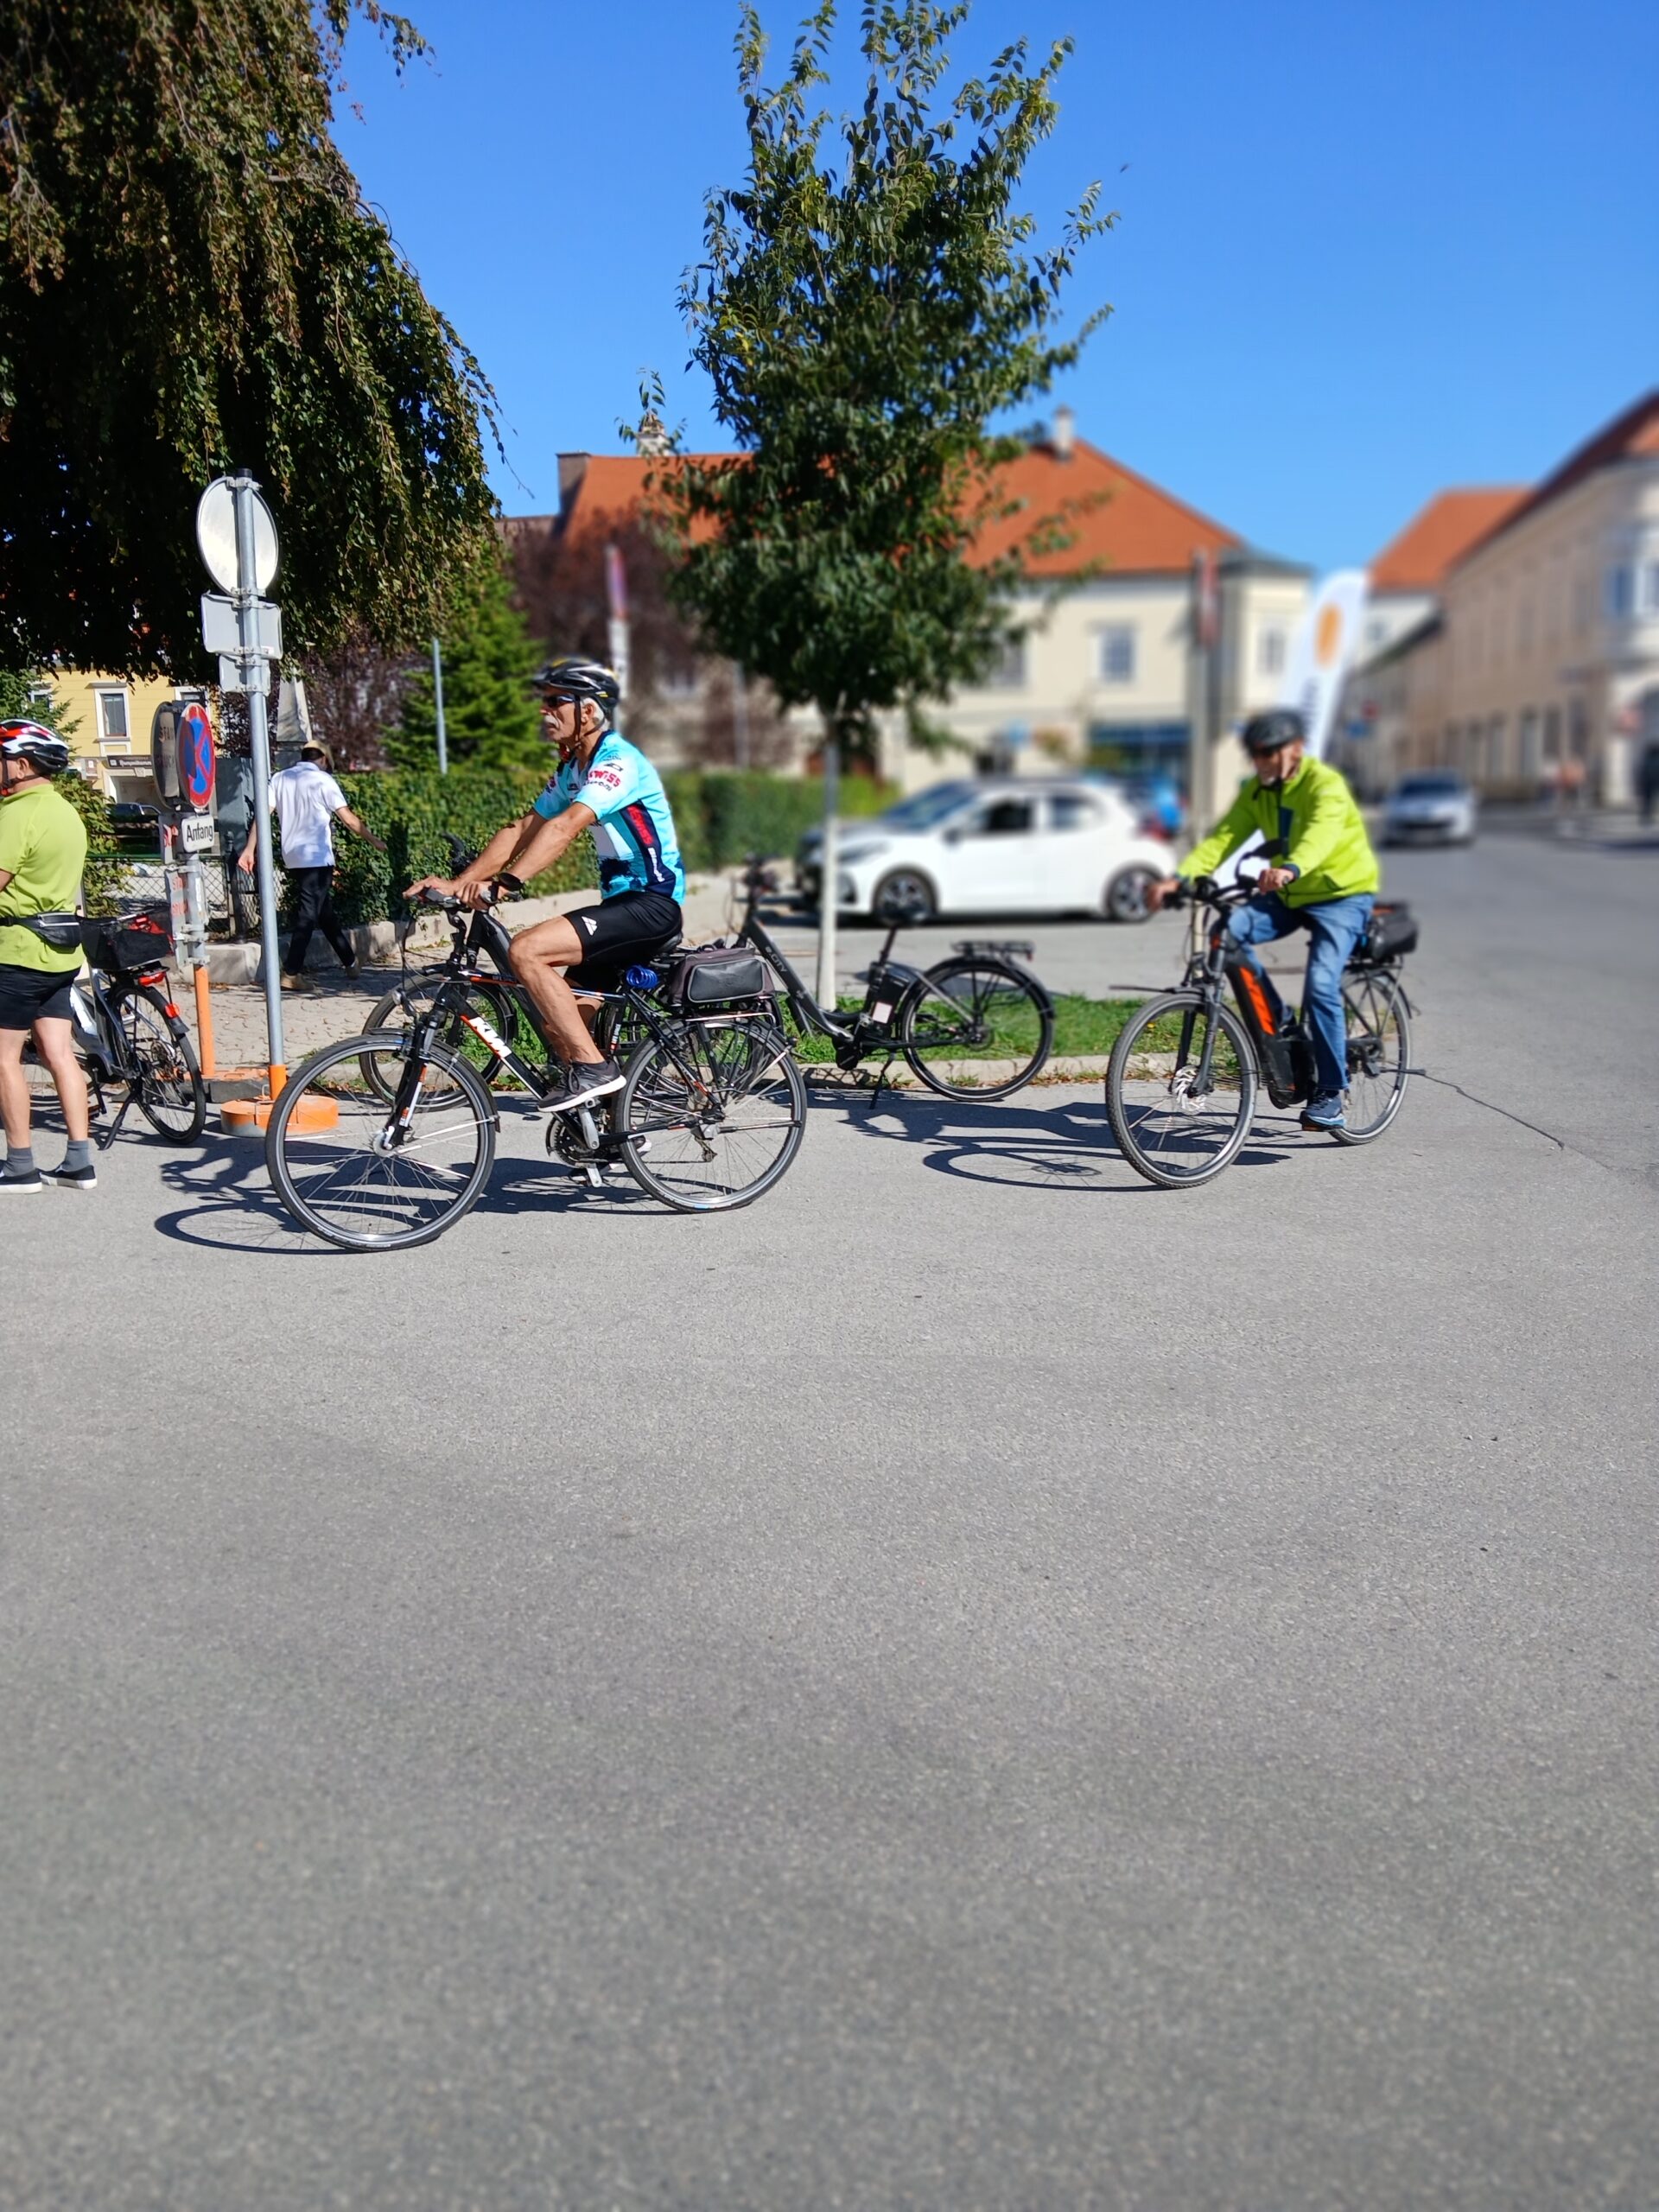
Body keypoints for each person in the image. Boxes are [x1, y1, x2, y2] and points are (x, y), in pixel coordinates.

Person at [406, 657, 684, 1112]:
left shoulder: (617, 763)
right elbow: (523, 829)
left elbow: (565, 827)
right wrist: (460, 884)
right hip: (621, 906)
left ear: (588, 711)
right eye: (545, 701)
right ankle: (612, 1130)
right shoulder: (573, 769)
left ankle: (596, 1072)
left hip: (652, 905)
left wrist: (504, 885)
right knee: (560, 1030)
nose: (544, 710)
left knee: (527, 951)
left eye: (556, 701)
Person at [1147, 709, 1380, 1135]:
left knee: (1321, 983)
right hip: (1290, 894)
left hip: (1341, 895)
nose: (1262, 761)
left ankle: (1331, 1089)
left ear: (1296, 749)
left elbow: (1320, 835)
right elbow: (1224, 837)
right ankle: (1279, 1020)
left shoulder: (1324, 785)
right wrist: (1179, 878)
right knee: (1227, 933)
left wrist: (1290, 867)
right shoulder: (1258, 791)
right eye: (1256, 753)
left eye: (1269, 752)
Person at [0, 721, 96, 1192]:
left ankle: (20, 1165)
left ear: (21, 765)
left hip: (16, 952)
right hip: (60, 953)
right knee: (60, 1054)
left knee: (4, 1059)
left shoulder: (16, 815)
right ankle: (79, 1162)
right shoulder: (66, 813)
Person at [238, 741, 384, 990]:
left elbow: (262, 816)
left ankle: (350, 962)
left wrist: (250, 849)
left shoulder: (280, 779)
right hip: (317, 857)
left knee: (322, 912)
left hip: (293, 857)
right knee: (308, 914)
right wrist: (374, 840)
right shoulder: (323, 780)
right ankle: (291, 972)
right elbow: (348, 819)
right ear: (324, 760)